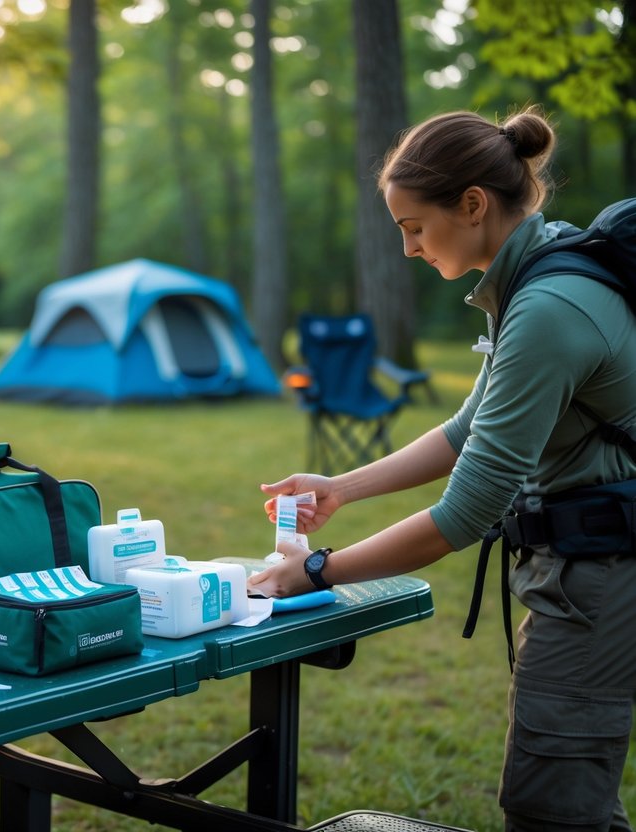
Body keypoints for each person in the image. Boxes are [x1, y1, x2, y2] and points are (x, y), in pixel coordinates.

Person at [248, 106, 636, 831]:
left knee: (553, 812)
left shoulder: (549, 306)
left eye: (413, 227)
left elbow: (464, 512)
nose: (407, 249)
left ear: (471, 205)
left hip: (606, 577)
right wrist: (341, 485)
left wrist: (315, 570)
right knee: (569, 803)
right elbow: (467, 432)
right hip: (592, 567)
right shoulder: (539, 276)